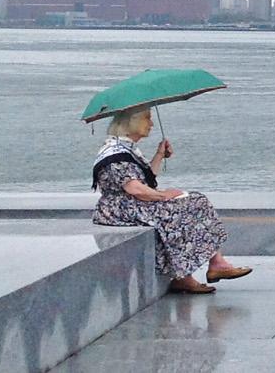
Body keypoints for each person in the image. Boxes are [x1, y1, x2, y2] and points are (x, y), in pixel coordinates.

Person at [91, 107, 251, 294]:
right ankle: (189, 274)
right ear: (131, 123)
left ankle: (213, 264)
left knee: (196, 201)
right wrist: (164, 195)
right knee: (182, 208)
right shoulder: (114, 154)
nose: (151, 124)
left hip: (132, 203)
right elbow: (134, 188)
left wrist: (160, 155)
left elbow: (146, 180)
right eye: (147, 119)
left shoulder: (125, 148)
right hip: (120, 209)